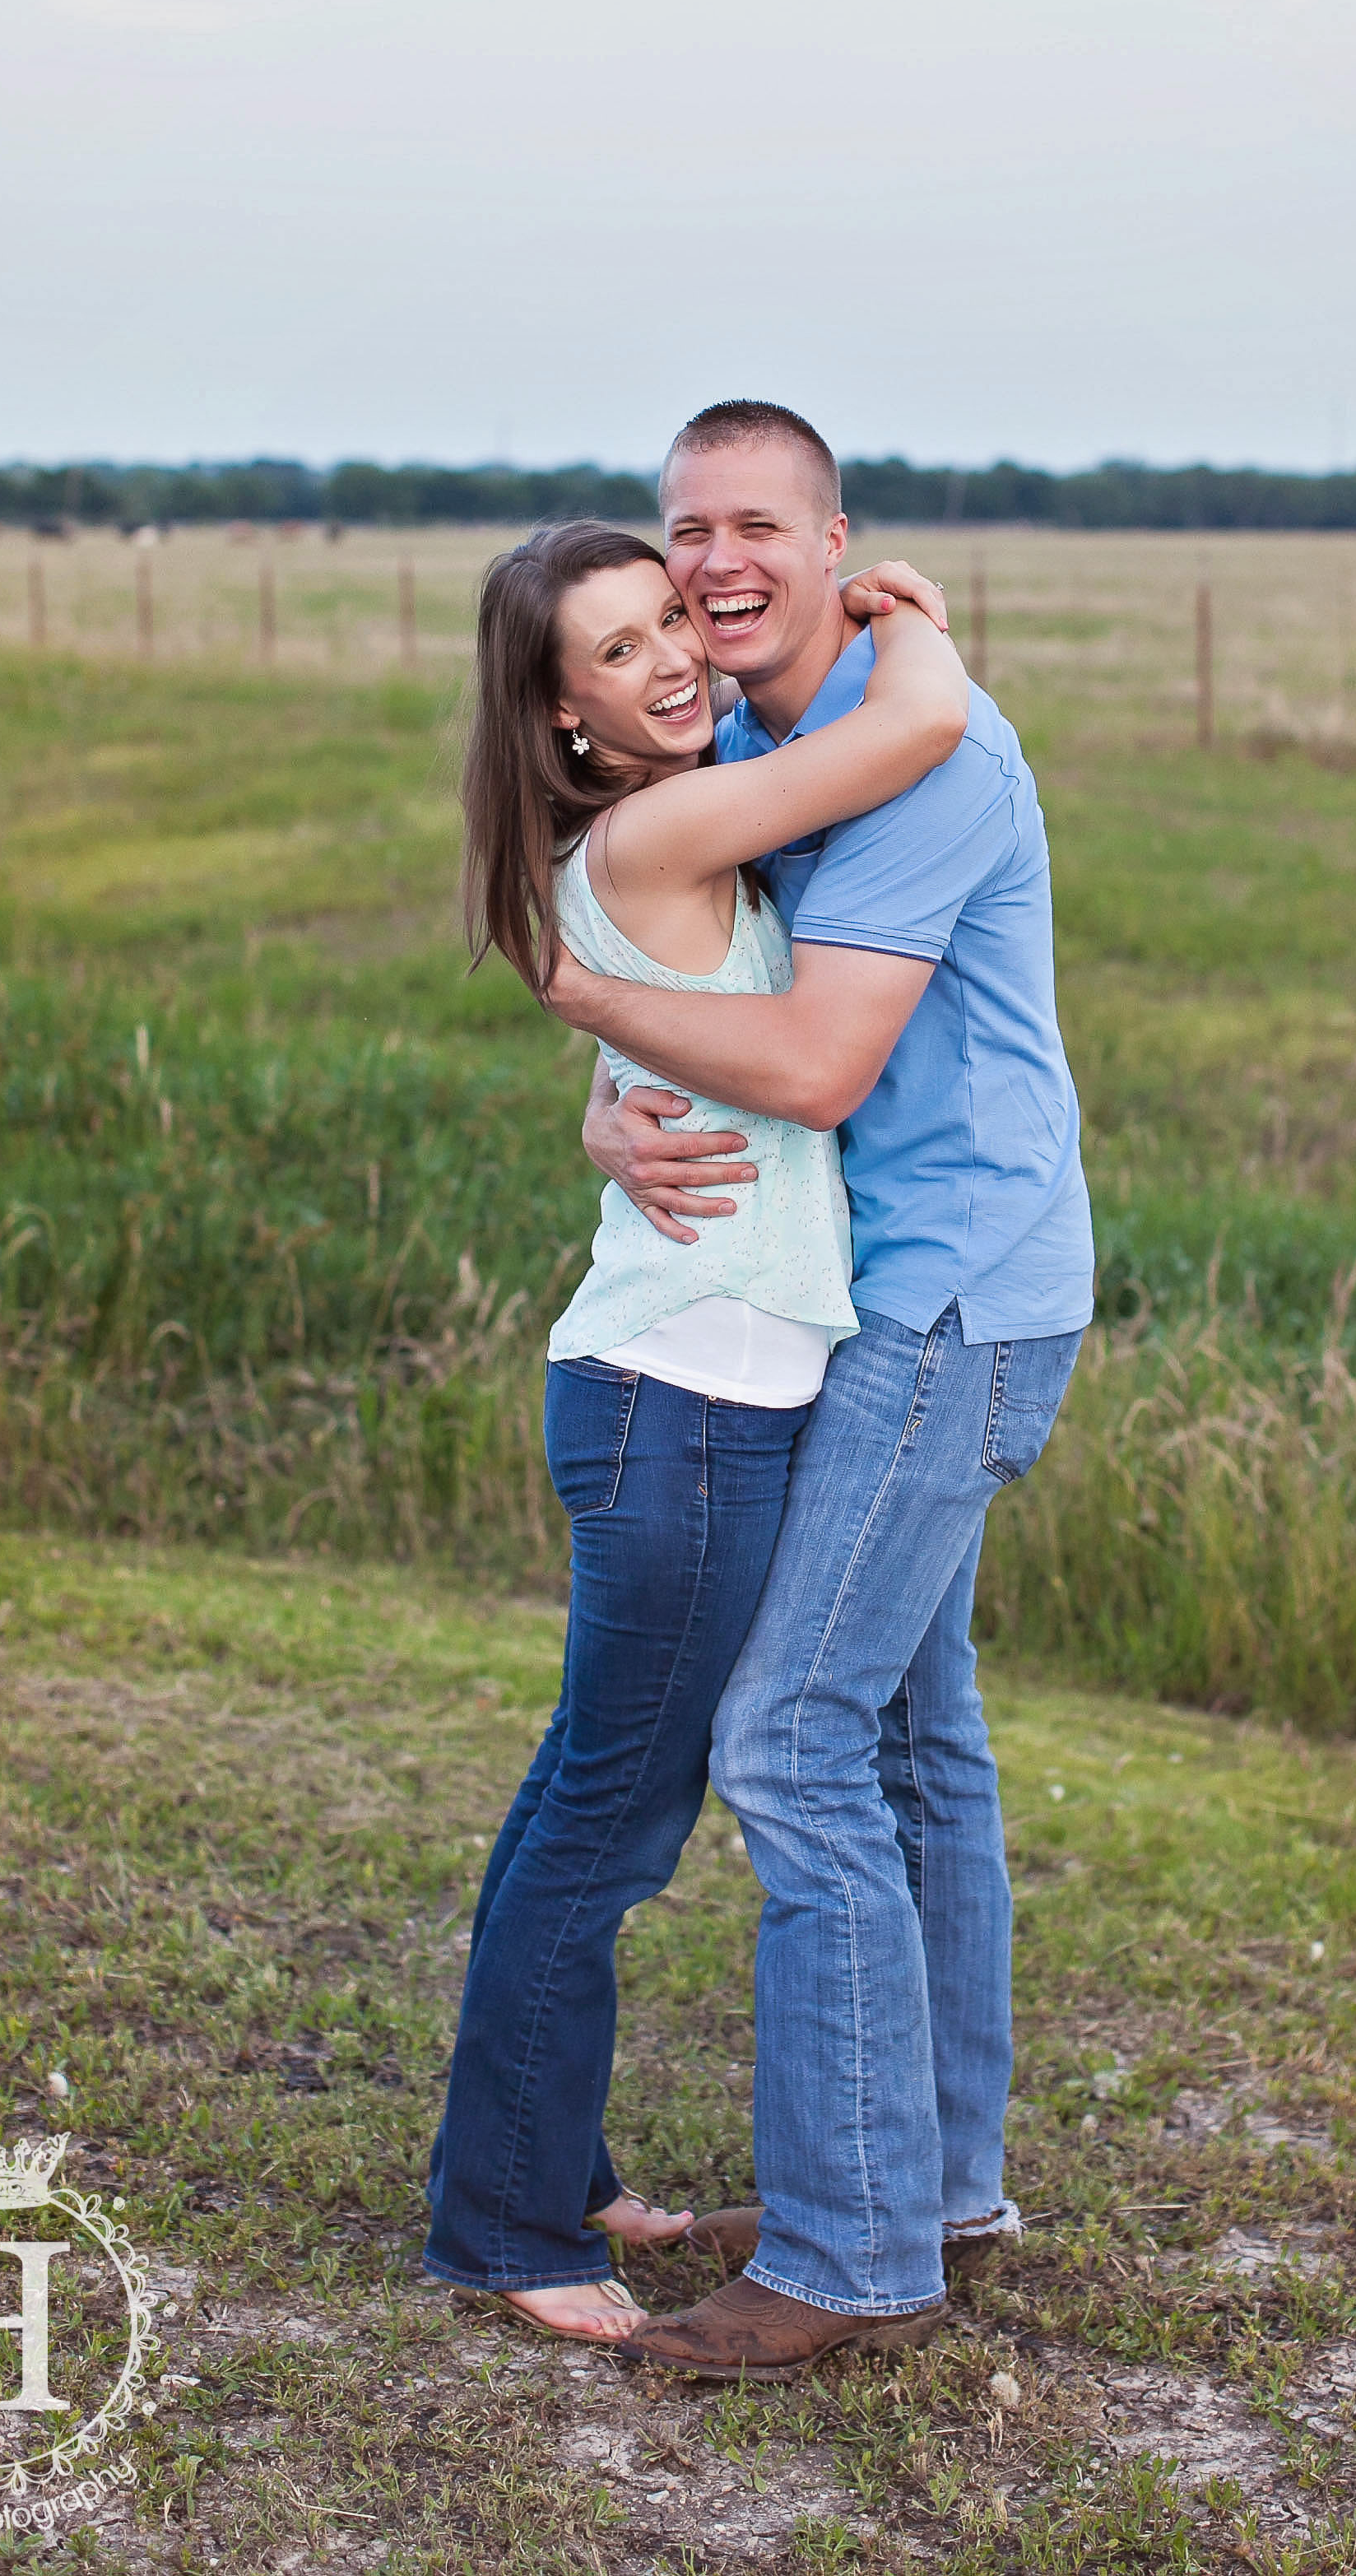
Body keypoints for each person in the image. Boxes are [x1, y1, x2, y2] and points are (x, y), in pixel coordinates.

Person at [544, 402, 1094, 2378]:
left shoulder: (929, 743)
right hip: (892, 1289)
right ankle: (931, 2179)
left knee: (790, 1737)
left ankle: (850, 2254)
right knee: (915, 1739)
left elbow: (816, 1065)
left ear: (833, 535)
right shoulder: (775, 742)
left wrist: (593, 1001)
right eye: (687, 526)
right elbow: (707, 990)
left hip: (949, 1295)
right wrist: (614, 1112)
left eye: (756, 521)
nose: (713, 558)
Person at [421, 515, 967, 2343]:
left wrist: (602, 1093)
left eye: (670, 618)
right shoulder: (653, 825)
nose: (670, 654)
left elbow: (658, 1023)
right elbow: (899, 740)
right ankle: (504, 2219)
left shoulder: (657, 827)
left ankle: (551, 2165)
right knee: (607, 1818)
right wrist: (920, 630)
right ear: (563, 721)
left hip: (684, 1389)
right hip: (689, 1406)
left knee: (591, 1791)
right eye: (617, 649)